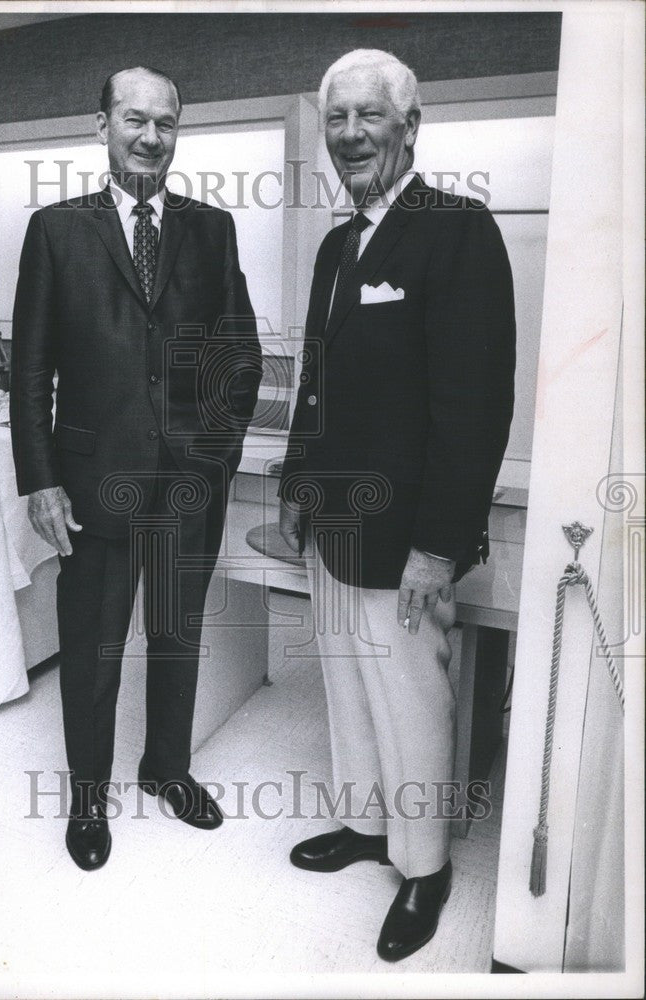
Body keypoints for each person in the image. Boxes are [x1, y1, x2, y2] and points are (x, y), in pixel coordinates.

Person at [279, 49, 516, 962]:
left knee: (413, 700)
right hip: (332, 525)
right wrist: (300, 485)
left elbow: (475, 405)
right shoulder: (340, 246)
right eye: (337, 119)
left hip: (407, 533)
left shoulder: (457, 229)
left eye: (368, 117)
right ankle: (367, 825)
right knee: (346, 686)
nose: (349, 136)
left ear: (410, 126)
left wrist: (438, 547)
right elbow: (317, 379)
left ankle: (423, 868)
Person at [11, 66, 261, 871]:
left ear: (177, 131)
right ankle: (89, 797)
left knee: (177, 636)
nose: (150, 136)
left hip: (191, 485)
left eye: (164, 122)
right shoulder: (56, 230)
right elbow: (30, 370)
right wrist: (40, 478)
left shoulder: (212, 229)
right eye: (133, 119)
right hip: (91, 483)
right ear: (102, 125)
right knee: (92, 646)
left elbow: (240, 357)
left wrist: (217, 456)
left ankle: (167, 767)